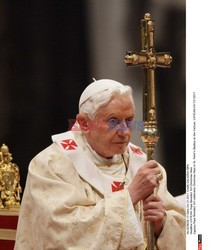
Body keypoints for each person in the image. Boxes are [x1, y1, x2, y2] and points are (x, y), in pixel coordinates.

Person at [15, 79, 185, 250]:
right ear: (84, 123)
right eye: (113, 121)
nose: (125, 132)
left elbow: (183, 231)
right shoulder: (51, 165)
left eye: (129, 119)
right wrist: (130, 196)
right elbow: (62, 235)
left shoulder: (143, 166)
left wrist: (161, 225)